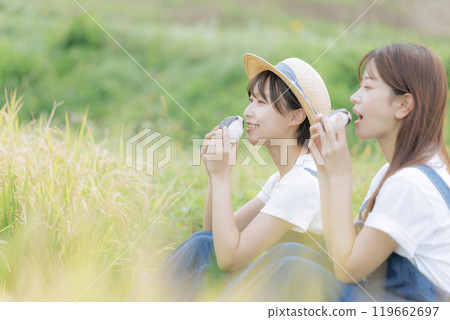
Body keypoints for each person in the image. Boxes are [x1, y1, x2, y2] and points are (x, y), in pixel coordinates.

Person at [128, 53, 337, 301]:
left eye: (261, 103)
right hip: (276, 290)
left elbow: (229, 258)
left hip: (299, 300)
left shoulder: (303, 182)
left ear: (295, 117)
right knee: (202, 244)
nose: (248, 111)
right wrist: (213, 174)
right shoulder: (284, 178)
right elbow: (214, 237)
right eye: (251, 100)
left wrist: (222, 178)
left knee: (202, 249)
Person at [309, 43, 450, 301]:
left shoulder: (410, 184)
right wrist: (325, 168)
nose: (354, 96)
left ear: (403, 104)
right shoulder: (396, 172)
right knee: (293, 255)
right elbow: (339, 250)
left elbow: (347, 269)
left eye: (368, 86)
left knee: (292, 267)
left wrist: (341, 175)